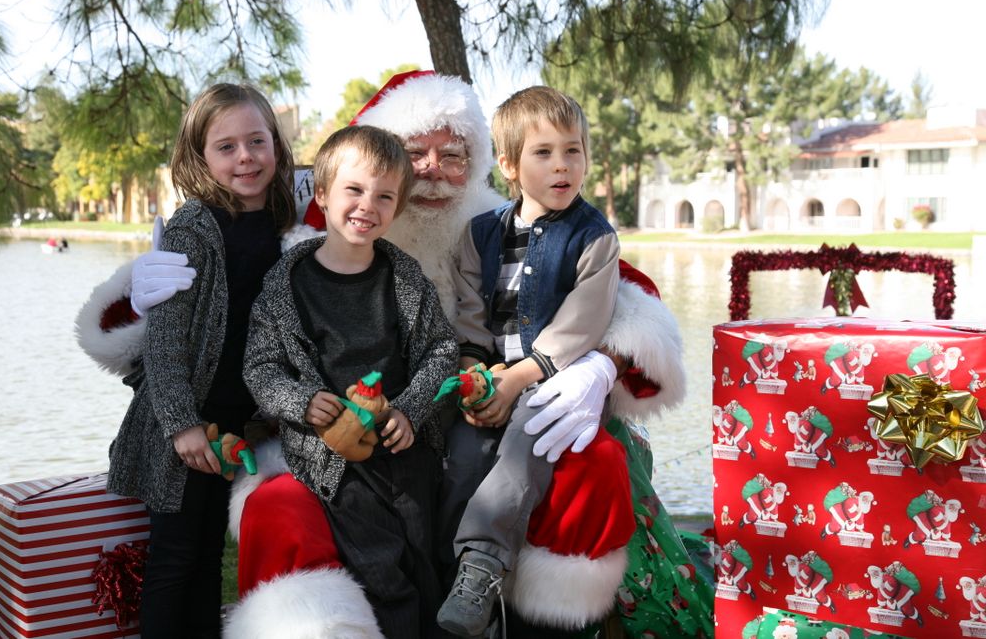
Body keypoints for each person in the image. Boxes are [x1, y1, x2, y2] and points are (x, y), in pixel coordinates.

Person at [77, 71, 690, 635]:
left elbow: (629, 299)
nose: (431, 171)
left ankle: (535, 623)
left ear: (481, 163)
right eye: (414, 152)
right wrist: (142, 296)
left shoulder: (497, 222)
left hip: (450, 417)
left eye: (453, 156)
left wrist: (601, 361)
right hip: (315, 434)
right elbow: (223, 324)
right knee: (227, 534)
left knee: (581, 464)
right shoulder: (302, 235)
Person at [242, 125, 457, 637]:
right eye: (354, 190)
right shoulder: (286, 284)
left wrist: (410, 409)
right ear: (322, 195)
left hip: (403, 447)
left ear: (397, 206)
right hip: (336, 456)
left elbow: (441, 350)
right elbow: (260, 368)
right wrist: (301, 401)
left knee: (423, 558)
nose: (368, 206)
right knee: (380, 567)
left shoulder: (403, 277)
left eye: (384, 196)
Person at [103, 82, 296, 637]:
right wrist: (182, 426)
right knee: (176, 557)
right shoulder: (194, 229)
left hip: (236, 422)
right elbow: (165, 341)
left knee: (210, 552)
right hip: (184, 422)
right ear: (199, 157)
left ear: (276, 146)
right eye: (226, 147)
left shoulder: (285, 221)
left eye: (256, 142)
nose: (245, 158)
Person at [436, 86, 620, 636]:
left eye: (573, 150)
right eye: (544, 153)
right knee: (463, 457)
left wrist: (519, 378)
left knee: (528, 438)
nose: (562, 165)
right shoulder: (482, 234)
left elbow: (581, 324)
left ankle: (484, 566)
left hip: (560, 387)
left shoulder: (595, 238)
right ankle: (461, 593)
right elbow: (472, 314)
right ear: (510, 165)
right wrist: (478, 377)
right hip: (498, 377)